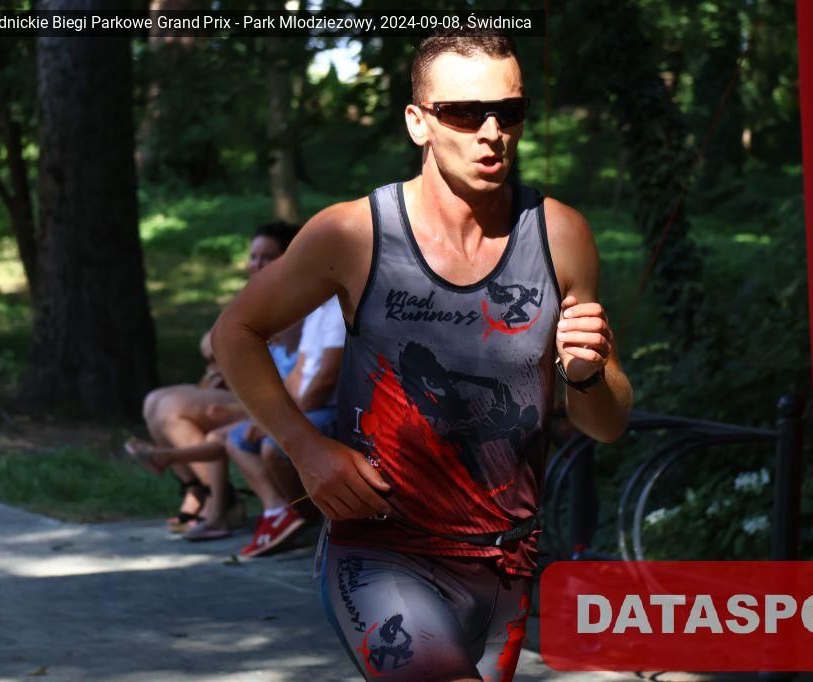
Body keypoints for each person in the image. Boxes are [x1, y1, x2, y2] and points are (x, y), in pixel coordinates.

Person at [211, 33, 633, 682]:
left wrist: (585, 376)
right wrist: (304, 447)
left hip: (507, 561)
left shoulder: (560, 234)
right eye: (464, 113)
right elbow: (235, 331)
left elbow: (606, 423)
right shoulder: (353, 232)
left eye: (509, 112)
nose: (492, 132)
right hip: (382, 552)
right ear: (419, 123)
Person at [130, 221, 301, 537]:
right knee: (154, 401)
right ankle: (197, 488)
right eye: (253, 257)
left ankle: (218, 501)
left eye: (267, 257)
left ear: (288, 257)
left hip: (276, 394)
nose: (257, 264)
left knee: (171, 408)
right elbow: (208, 345)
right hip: (248, 389)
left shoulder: (299, 297)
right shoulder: (255, 294)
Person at [223, 294, 345, 558]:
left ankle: (310, 518)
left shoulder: (337, 311)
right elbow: (298, 373)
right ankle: (279, 511)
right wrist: (270, 416)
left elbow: (326, 379)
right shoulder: (316, 309)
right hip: (305, 407)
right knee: (237, 439)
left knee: (273, 447)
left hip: (328, 409)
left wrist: (286, 422)